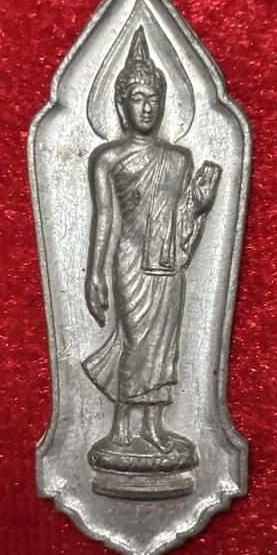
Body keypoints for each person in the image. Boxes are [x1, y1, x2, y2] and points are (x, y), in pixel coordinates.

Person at [82, 26, 220, 454]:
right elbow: (105, 218)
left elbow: (182, 222)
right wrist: (94, 273)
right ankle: (122, 426)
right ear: (121, 105)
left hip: (167, 265)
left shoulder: (179, 159)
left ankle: (154, 426)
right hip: (130, 262)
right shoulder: (108, 158)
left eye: (154, 98)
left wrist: (198, 204)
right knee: (137, 341)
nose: (146, 107)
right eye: (137, 98)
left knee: (164, 345)